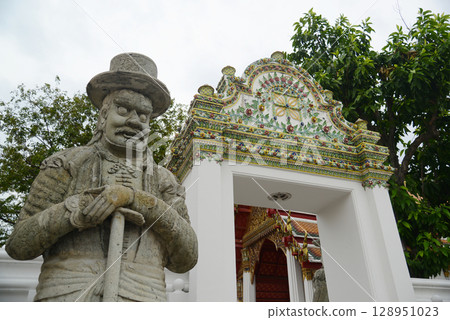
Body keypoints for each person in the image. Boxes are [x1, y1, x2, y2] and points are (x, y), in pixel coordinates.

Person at [5, 53, 198, 302]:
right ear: (103, 114)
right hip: (68, 293)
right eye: (123, 109)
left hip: (144, 295)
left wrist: (136, 199)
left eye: (143, 116)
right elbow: (19, 245)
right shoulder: (65, 164)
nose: (134, 121)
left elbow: (187, 257)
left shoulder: (164, 181)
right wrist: (76, 209)